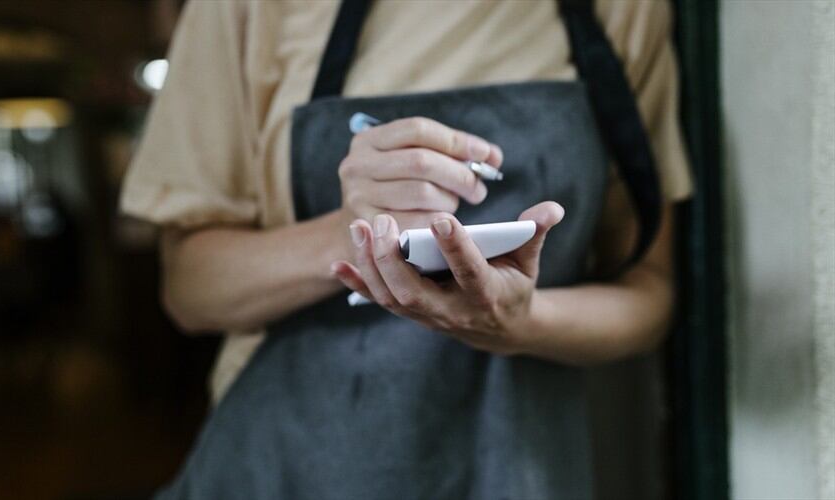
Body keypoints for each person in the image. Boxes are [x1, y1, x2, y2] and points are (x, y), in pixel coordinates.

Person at [120, 0, 693, 498]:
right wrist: (353, 231)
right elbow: (189, 289)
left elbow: (650, 291)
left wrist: (519, 319)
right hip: (294, 465)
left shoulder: (619, 12)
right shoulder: (247, 11)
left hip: (519, 466)